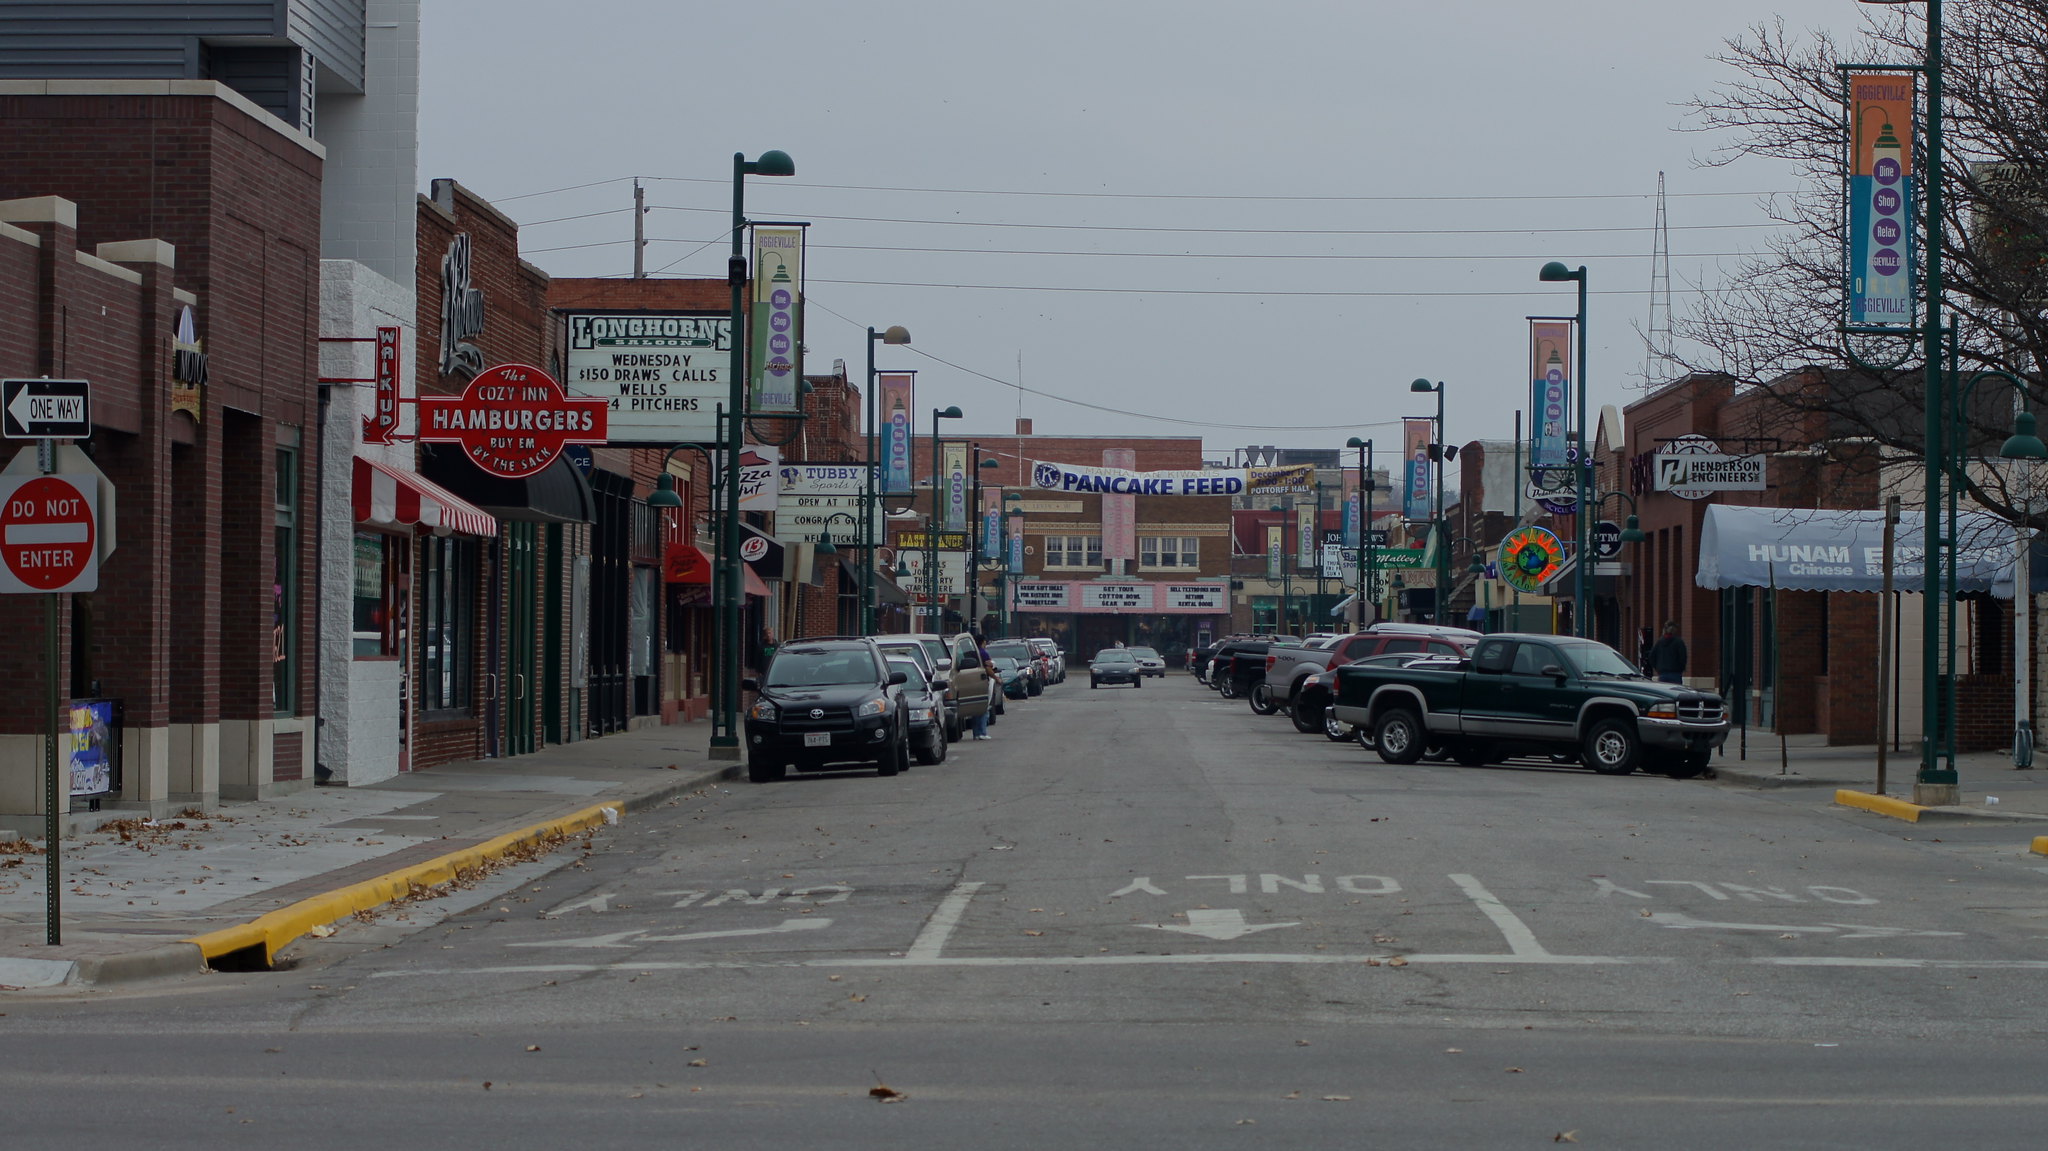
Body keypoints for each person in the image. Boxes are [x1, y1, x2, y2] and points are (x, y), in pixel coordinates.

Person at [971, 634, 995, 740]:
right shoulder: (983, 653)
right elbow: (988, 668)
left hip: (972, 682)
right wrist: (996, 678)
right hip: (983, 681)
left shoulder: (971, 653)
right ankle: (982, 732)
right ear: (983, 642)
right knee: (984, 707)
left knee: (975, 708)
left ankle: (976, 733)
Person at [1648, 620, 1687, 685]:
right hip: (1676, 673)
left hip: (1662, 674)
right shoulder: (1679, 642)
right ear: (1674, 630)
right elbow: (1683, 657)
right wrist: (1681, 668)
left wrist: (1657, 667)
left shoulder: (1659, 642)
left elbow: (1651, 656)